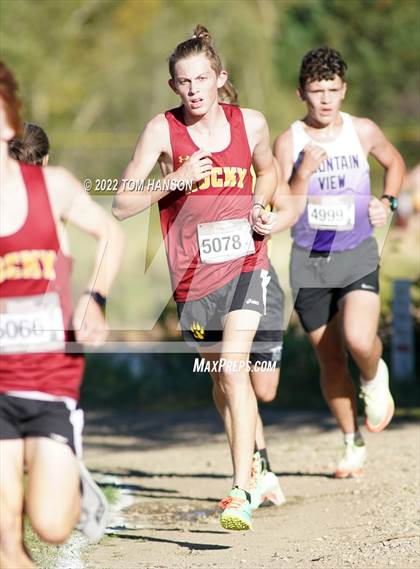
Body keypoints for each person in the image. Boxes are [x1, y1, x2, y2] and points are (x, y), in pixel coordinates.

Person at [113, 25, 279, 530]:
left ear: (219, 78)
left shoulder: (250, 123)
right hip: (193, 279)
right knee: (223, 378)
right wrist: (174, 181)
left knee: (233, 367)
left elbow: (267, 169)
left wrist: (260, 203)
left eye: (202, 78)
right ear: (174, 87)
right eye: (184, 82)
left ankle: (239, 490)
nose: (194, 89)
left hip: (248, 263)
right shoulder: (161, 131)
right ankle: (257, 455)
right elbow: (121, 203)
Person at [0, 62, 124, 569]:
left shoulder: (52, 186)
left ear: (9, 122)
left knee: (50, 526)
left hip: (51, 380)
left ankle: (68, 470)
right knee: (5, 541)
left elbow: (111, 236)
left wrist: (95, 300)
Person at [274, 47, 405, 478]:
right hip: (310, 261)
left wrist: (387, 201)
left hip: (356, 252)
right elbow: (282, 203)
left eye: (333, 90)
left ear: (344, 90)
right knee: (330, 360)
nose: (326, 100)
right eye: (317, 91)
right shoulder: (290, 141)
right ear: (301, 93)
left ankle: (372, 376)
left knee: (359, 339)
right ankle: (352, 440)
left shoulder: (361, 130)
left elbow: (394, 162)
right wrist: (302, 173)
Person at [218, 83, 297, 509]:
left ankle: (256, 466)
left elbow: (289, 207)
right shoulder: (194, 158)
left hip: (258, 277)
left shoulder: (255, 153)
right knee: (228, 373)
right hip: (212, 282)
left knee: (262, 388)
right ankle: (256, 468)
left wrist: (270, 220)